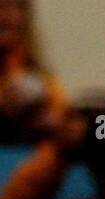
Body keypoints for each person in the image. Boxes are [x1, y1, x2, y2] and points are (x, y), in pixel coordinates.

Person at [0, 0, 68, 144]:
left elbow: (61, 114)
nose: (4, 18)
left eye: (10, 8)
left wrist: (47, 118)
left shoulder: (36, 73)